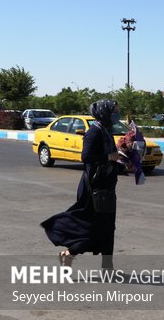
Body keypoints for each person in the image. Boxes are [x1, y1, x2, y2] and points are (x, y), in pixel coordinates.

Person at [41, 99, 120, 269]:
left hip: (107, 185)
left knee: (108, 228)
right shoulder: (94, 132)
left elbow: (110, 156)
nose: (116, 115)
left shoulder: (107, 131)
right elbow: (86, 157)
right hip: (94, 187)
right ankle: (69, 254)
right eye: (114, 111)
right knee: (96, 228)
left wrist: (123, 159)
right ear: (103, 112)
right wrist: (108, 157)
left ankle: (106, 268)